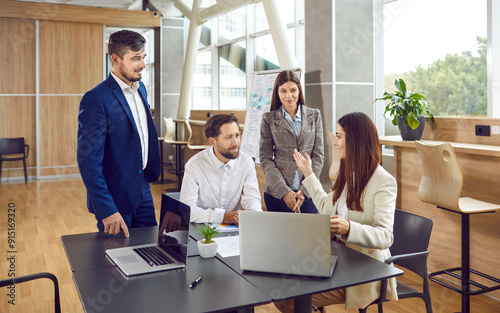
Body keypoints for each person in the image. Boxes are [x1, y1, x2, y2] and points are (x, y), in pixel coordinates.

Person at [276, 112, 398, 312]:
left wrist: (349, 228)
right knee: (280, 290)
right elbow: (326, 207)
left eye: (340, 136)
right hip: (338, 259)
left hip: (365, 270)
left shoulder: (383, 181)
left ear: (356, 140)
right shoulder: (348, 173)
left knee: (290, 298)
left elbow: (386, 236)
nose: (336, 142)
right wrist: (308, 172)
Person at [77, 30, 161, 237]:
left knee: (151, 249)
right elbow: (88, 161)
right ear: (115, 59)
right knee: (116, 260)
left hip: (143, 189)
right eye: (135, 58)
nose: (142, 64)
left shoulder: (141, 89)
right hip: (114, 196)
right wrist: (107, 209)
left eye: (143, 57)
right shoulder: (96, 98)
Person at [177, 114, 262, 227]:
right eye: (229, 137)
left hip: (232, 230)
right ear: (213, 142)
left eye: (237, 135)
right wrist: (221, 217)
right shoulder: (195, 165)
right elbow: (187, 210)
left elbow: (252, 201)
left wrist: (258, 219)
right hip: (202, 229)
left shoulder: (246, 162)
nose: (235, 142)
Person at [259, 70, 324, 213]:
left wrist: (304, 191)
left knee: (310, 234)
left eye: (293, 90)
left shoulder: (314, 115)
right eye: (283, 91)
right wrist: (284, 192)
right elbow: (265, 158)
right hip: (277, 193)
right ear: (277, 93)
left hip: (307, 193)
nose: (289, 96)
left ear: (299, 91)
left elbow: (318, 156)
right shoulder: (268, 119)